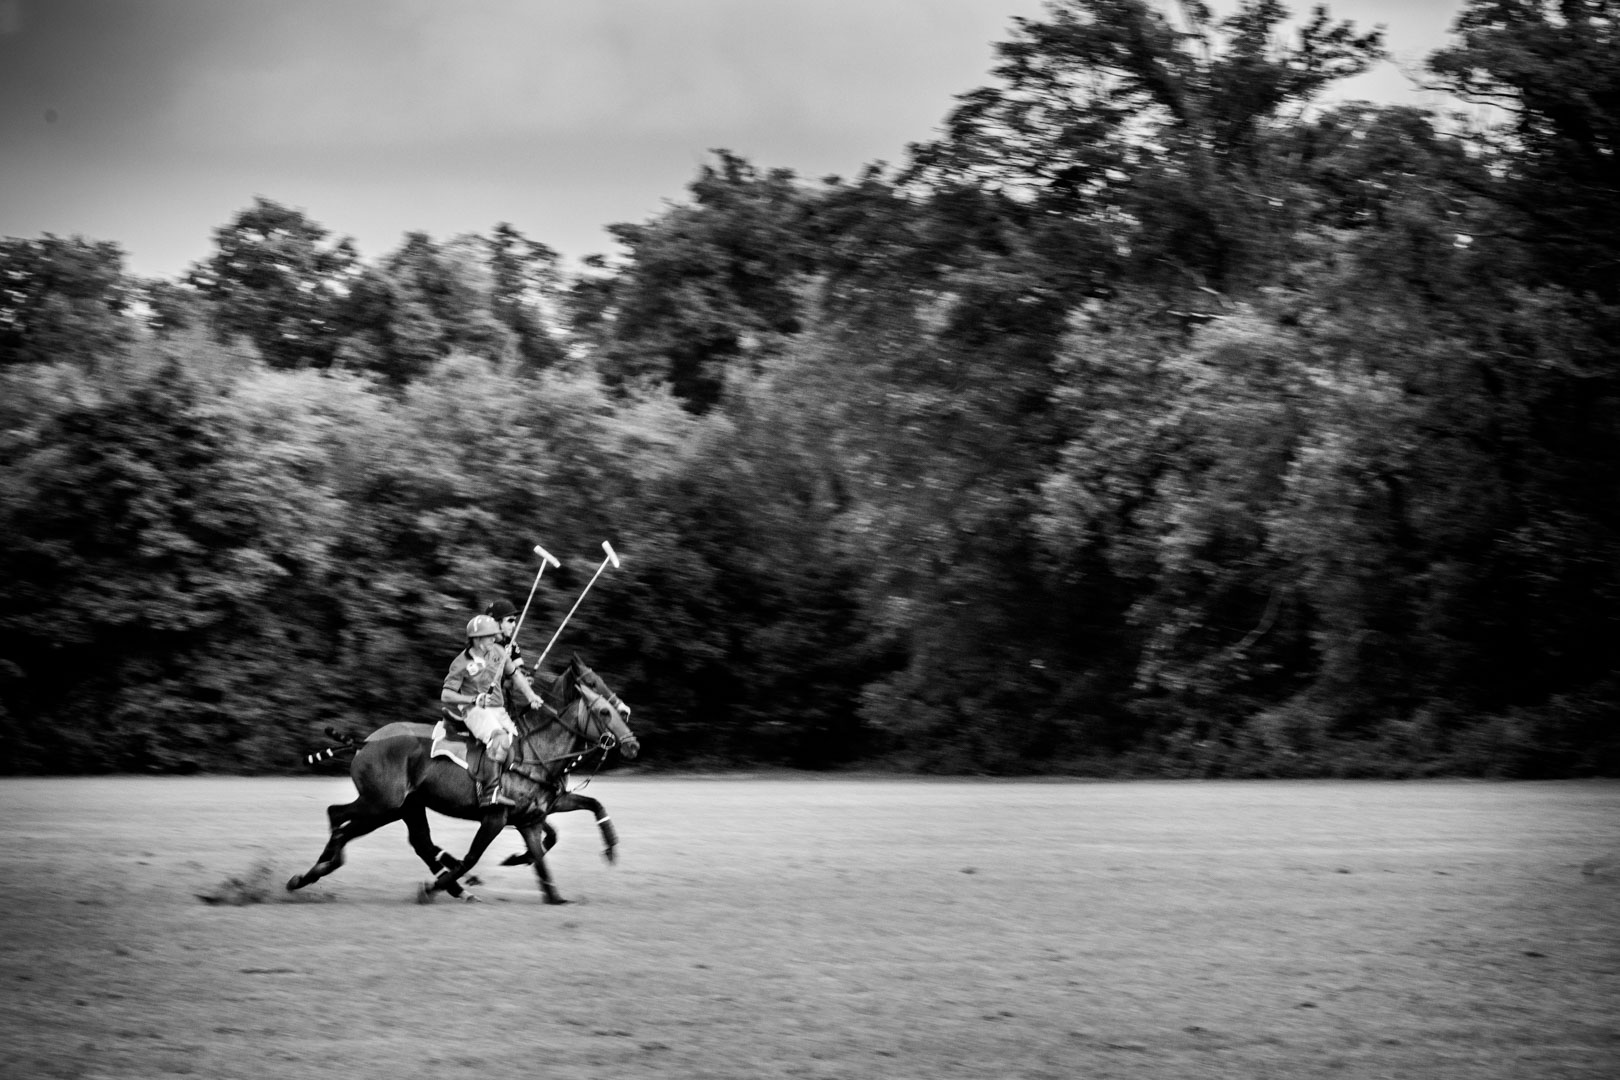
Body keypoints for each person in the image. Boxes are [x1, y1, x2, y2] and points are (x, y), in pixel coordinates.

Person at [440, 614, 545, 806]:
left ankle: (511, 787)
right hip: (474, 710)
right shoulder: (461, 663)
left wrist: (531, 696)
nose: (494, 639)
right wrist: (474, 698)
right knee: (500, 739)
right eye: (490, 636)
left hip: (498, 709)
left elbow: (515, 675)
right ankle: (490, 792)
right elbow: (446, 695)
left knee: (518, 744)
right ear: (477, 638)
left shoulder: (498, 651)